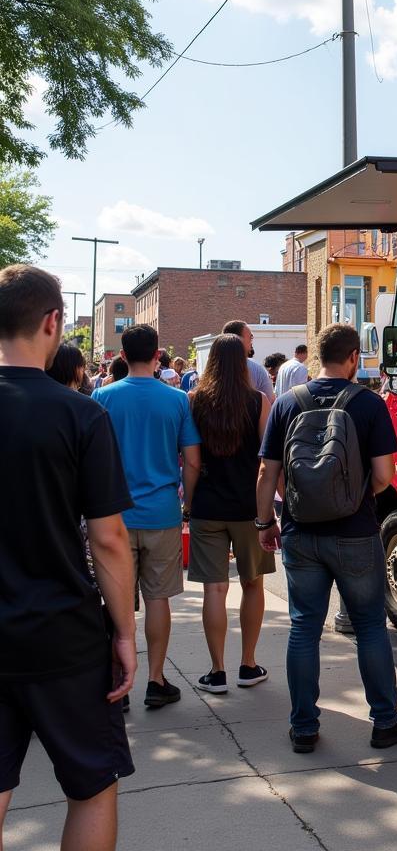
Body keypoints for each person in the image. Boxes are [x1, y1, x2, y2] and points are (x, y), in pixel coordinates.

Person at [0, 265, 136, 851]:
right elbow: (107, 539)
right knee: (91, 788)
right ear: (53, 321)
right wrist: (125, 634)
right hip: (64, 635)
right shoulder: (81, 415)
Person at [255, 323, 397, 754]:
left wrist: (266, 522)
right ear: (352, 359)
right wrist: (353, 495)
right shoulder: (368, 404)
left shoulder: (288, 403)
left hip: (300, 534)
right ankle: (385, 721)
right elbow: (384, 476)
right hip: (355, 533)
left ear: (316, 358)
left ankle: (304, 727)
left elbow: (267, 473)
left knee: (304, 628)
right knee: (368, 626)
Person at [94, 324, 201, 709]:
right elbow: (191, 459)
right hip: (162, 513)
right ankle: (156, 681)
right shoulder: (176, 400)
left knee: (114, 600)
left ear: (122, 356)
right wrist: (187, 503)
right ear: (158, 356)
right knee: (158, 599)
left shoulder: (102, 396)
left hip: (114, 517)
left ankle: (116, 683)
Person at [187, 334, 274, 694]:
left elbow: (191, 461)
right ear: (243, 363)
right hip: (247, 507)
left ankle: (217, 671)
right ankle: (248, 665)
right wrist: (268, 512)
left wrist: (190, 504)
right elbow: (266, 461)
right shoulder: (259, 402)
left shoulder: (194, 401)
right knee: (252, 584)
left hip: (208, 505)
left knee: (214, 588)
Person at [223, 320, 275, 402]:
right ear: (238, 340)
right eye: (250, 338)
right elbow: (270, 401)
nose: (251, 342)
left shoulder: (211, 367)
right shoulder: (257, 369)